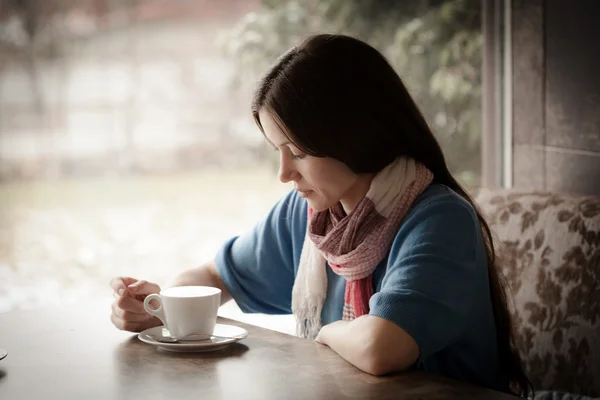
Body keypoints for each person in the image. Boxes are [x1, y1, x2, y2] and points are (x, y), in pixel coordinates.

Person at [110, 34, 531, 397]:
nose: (284, 173)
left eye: (298, 152)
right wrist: (160, 307)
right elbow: (214, 277)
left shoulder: (439, 220)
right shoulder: (310, 214)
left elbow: (380, 348)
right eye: (278, 152)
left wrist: (322, 334)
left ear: (354, 135)